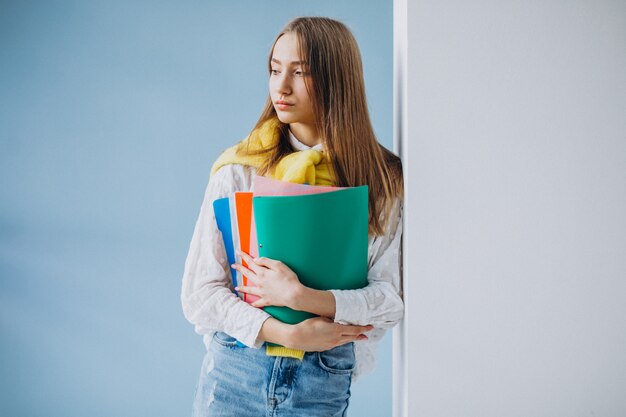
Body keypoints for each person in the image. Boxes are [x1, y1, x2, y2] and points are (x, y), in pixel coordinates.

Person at [181, 16, 404, 416]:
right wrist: (288, 332)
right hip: (236, 373)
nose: (280, 87)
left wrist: (302, 298)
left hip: (321, 381)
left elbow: (388, 301)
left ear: (337, 80)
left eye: (299, 72)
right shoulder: (240, 169)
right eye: (274, 69)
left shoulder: (380, 180)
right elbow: (200, 294)